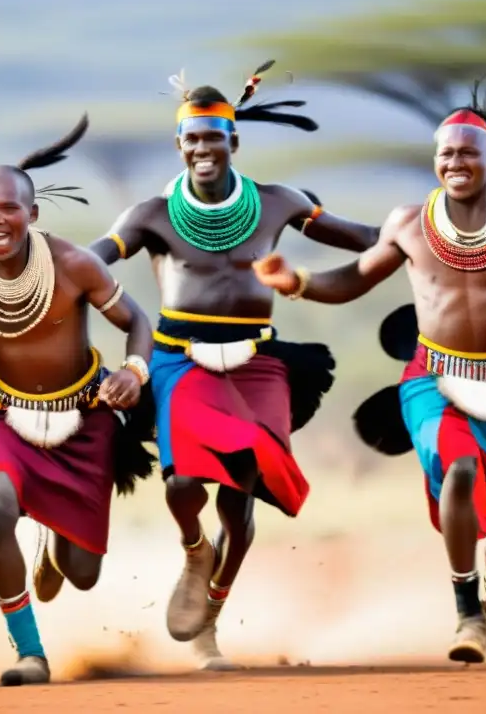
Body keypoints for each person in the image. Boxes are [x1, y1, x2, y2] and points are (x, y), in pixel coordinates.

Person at [253, 88, 486, 664]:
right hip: (433, 380)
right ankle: (466, 612)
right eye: (445, 153)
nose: (454, 163)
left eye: (468, 153)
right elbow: (352, 279)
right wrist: (296, 281)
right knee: (460, 467)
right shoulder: (409, 224)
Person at [87, 61, 380, 669]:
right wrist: (22, 265)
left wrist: (432, 231)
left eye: (213, 138)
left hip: (257, 363)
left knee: (240, 500)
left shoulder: (280, 203)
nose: (202, 149)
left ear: (233, 141)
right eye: (191, 139)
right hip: (180, 361)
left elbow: (370, 238)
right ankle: (194, 551)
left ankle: (207, 625)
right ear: (178, 145)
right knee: (184, 482)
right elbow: (92, 259)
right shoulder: (149, 214)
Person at [0, 114, 156, 687]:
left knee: (83, 573)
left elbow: (136, 320)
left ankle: (54, 539)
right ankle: (30, 653)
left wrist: (135, 370)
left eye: (9, 207)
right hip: (7, 417)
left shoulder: (74, 264)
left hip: (84, 418)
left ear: (33, 214)